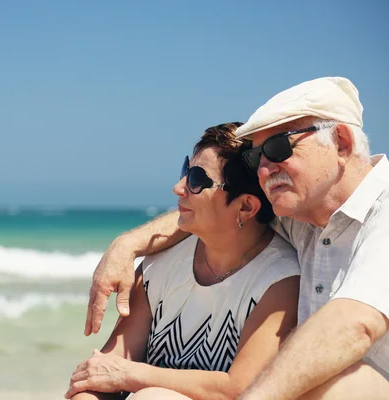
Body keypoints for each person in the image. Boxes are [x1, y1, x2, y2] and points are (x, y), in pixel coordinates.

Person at [84, 77, 389, 399]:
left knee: (339, 379)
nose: (264, 170)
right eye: (257, 158)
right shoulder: (303, 218)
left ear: (340, 142)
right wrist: (125, 246)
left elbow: (355, 324)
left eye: (277, 148)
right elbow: (213, 215)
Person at [66, 123, 300, 400]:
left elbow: (239, 388)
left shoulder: (281, 281)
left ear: (246, 207)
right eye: (185, 171)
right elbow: (103, 372)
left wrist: (131, 376)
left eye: (197, 180)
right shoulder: (161, 264)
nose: (178, 188)